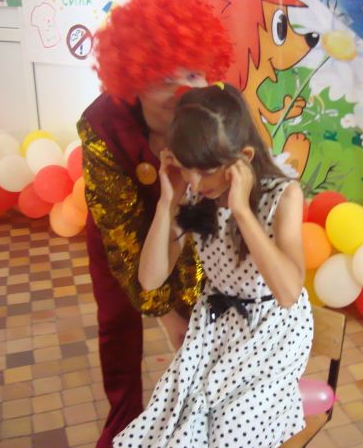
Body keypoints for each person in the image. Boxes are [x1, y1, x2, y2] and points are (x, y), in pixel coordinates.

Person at [113, 83, 313, 448]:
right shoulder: (193, 193)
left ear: (243, 158)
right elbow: (150, 278)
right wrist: (167, 203)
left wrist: (242, 212)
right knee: (172, 417)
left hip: (272, 332)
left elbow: (287, 293)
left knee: (230, 427)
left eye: (205, 170)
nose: (193, 180)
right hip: (217, 327)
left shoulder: (283, 196)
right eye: (185, 167)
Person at [77, 0, 232, 446]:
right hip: (119, 222)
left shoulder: (215, 112)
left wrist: (185, 311)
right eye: (165, 78)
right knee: (117, 321)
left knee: (201, 312)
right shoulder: (103, 126)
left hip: (187, 220)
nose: (183, 90)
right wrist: (164, 314)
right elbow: (124, 240)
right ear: (135, 80)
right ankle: (122, 419)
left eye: (193, 74)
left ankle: (199, 413)